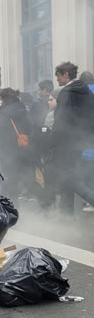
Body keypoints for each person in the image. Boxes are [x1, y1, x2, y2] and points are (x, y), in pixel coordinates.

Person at [52, 61, 93, 214]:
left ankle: (68, 213)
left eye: (58, 76)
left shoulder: (67, 92)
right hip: (85, 141)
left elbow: (61, 120)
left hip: (68, 143)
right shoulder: (87, 91)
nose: (57, 79)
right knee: (74, 176)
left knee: (70, 178)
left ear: (66, 75)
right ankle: (66, 215)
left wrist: (53, 141)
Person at [0, 88, 32, 206]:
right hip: (21, 147)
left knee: (6, 176)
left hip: (7, 149)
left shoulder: (2, 111)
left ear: (3, 98)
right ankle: (19, 201)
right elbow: (30, 126)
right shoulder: (23, 108)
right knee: (20, 175)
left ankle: (8, 204)